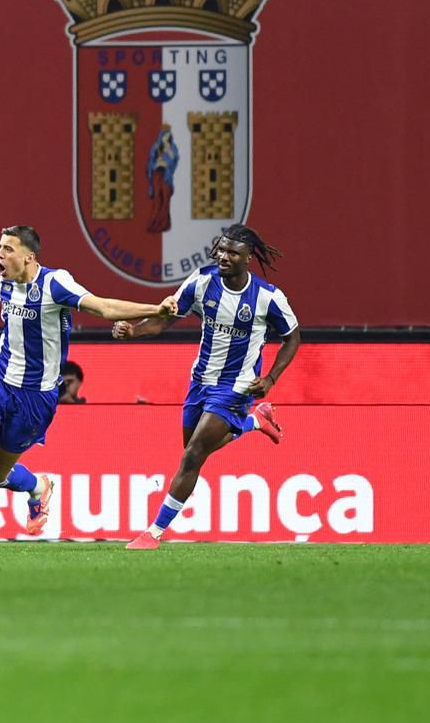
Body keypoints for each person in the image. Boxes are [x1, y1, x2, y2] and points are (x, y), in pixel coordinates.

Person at [0, 225, 177, 551]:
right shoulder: (1, 281)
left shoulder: (55, 283)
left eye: (7, 249)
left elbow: (103, 307)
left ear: (28, 257)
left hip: (34, 398)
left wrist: (155, 309)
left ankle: (38, 486)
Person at [112, 224, 300, 550]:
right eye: (221, 250)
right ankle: (256, 421)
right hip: (199, 382)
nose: (224, 257)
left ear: (248, 259)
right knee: (193, 449)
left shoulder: (268, 297)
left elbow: (292, 338)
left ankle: (153, 533)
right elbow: (164, 318)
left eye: (232, 253)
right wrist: (134, 332)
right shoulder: (201, 281)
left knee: (193, 455)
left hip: (236, 387)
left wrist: (270, 378)